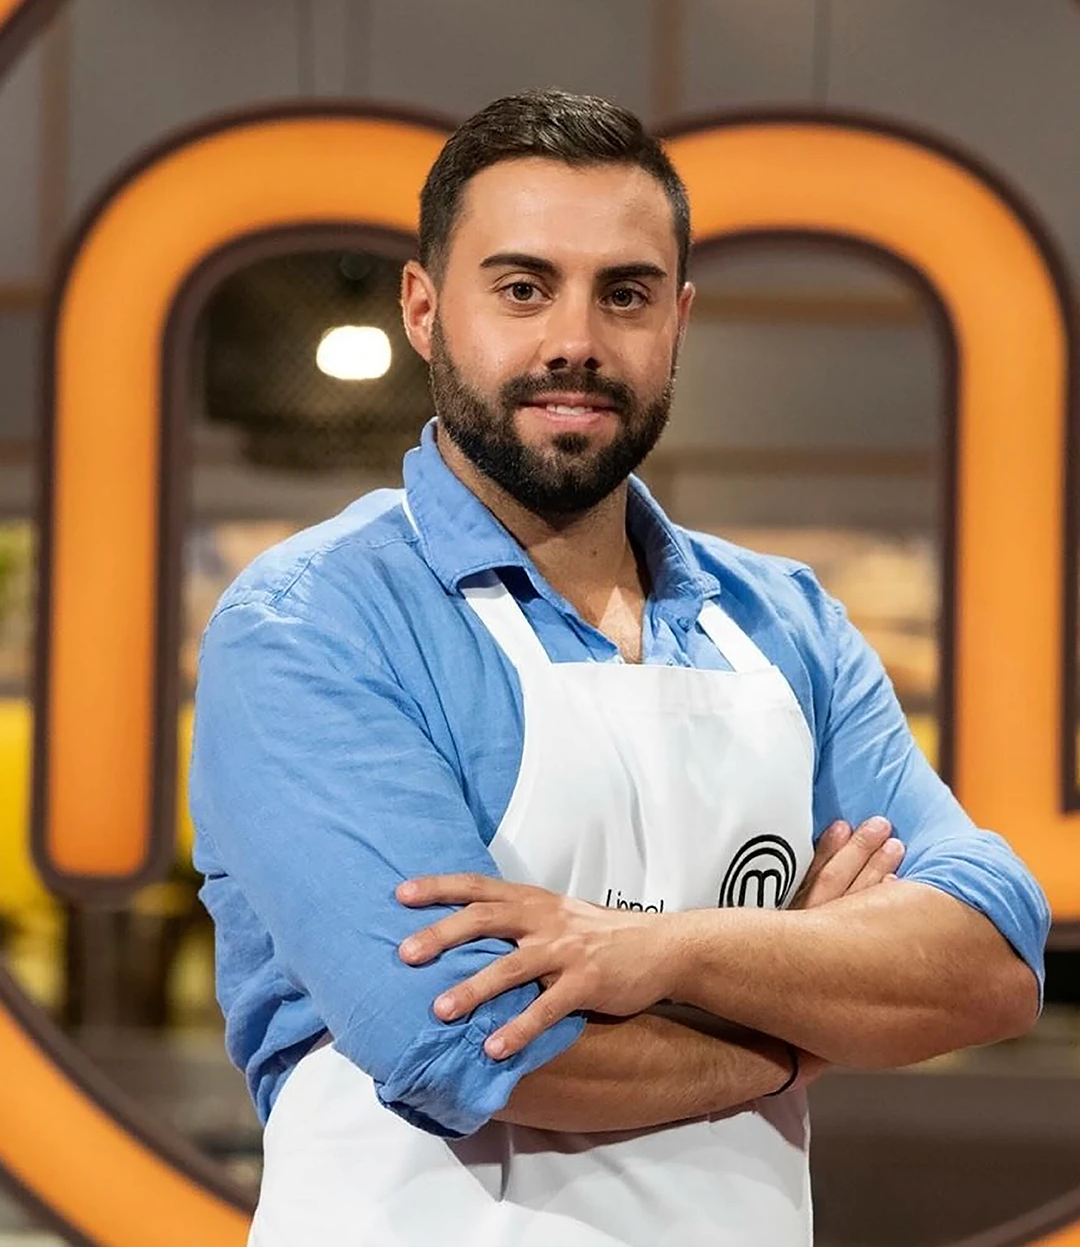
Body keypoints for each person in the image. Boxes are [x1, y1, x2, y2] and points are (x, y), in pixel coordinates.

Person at [189, 89, 1049, 1247]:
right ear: (425, 309)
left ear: (678, 319)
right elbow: (470, 1047)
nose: (576, 342)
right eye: (523, 286)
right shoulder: (317, 622)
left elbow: (992, 960)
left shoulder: (785, 622)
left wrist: (658, 949)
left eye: (626, 293)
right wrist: (813, 1014)